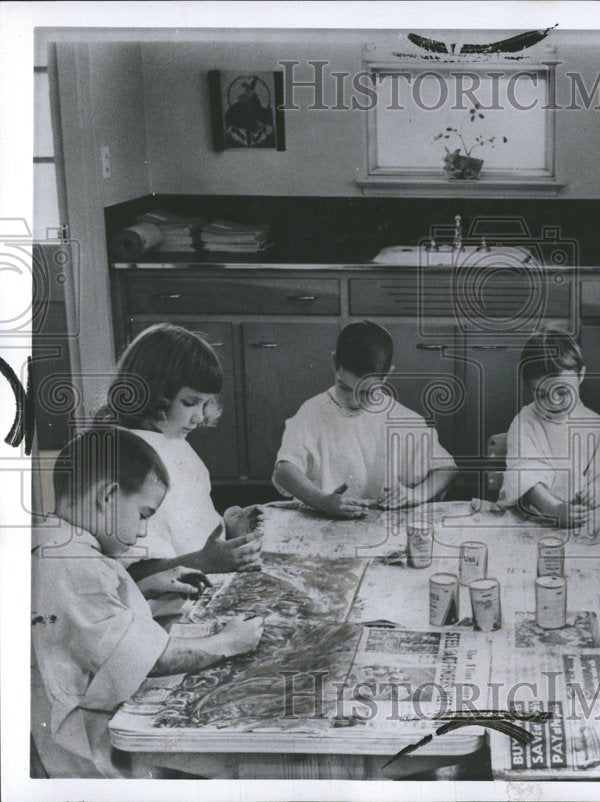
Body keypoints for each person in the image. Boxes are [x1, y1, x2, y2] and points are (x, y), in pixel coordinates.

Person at [31, 429, 264, 777]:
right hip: (91, 743)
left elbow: (82, 624)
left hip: (67, 719)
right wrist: (228, 642)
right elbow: (148, 659)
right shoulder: (76, 564)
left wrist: (140, 588)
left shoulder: (56, 541)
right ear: (108, 496)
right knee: (232, 765)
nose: (142, 532)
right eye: (143, 514)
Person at [94, 323, 263, 582]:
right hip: (165, 607)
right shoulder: (125, 460)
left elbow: (190, 531)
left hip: (202, 581)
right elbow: (131, 574)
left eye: (205, 403)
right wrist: (205, 561)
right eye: (190, 402)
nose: (199, 417)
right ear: (152, 392)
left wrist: (228, 529)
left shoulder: (172, 439)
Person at [272, 320, 457, 517]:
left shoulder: (402, 419)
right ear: (334, 362)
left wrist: (416, 494)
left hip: (384, 524)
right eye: (344, 387)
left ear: (386, 375)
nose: (353, 401)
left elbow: (445, 469)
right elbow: (284, 470)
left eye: (366, 392)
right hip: (322, 519)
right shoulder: (313, 412)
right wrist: (322, 501)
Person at [497, 326, 600, 537]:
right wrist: (554, 509)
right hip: (535, 518)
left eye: (562, 392)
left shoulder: (597, 426)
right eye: (542, 395)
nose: (553, 402)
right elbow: (524, 475)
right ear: (530, 388)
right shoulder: (525, 423)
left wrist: (597, 495)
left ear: (581, 375)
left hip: (586, 519)